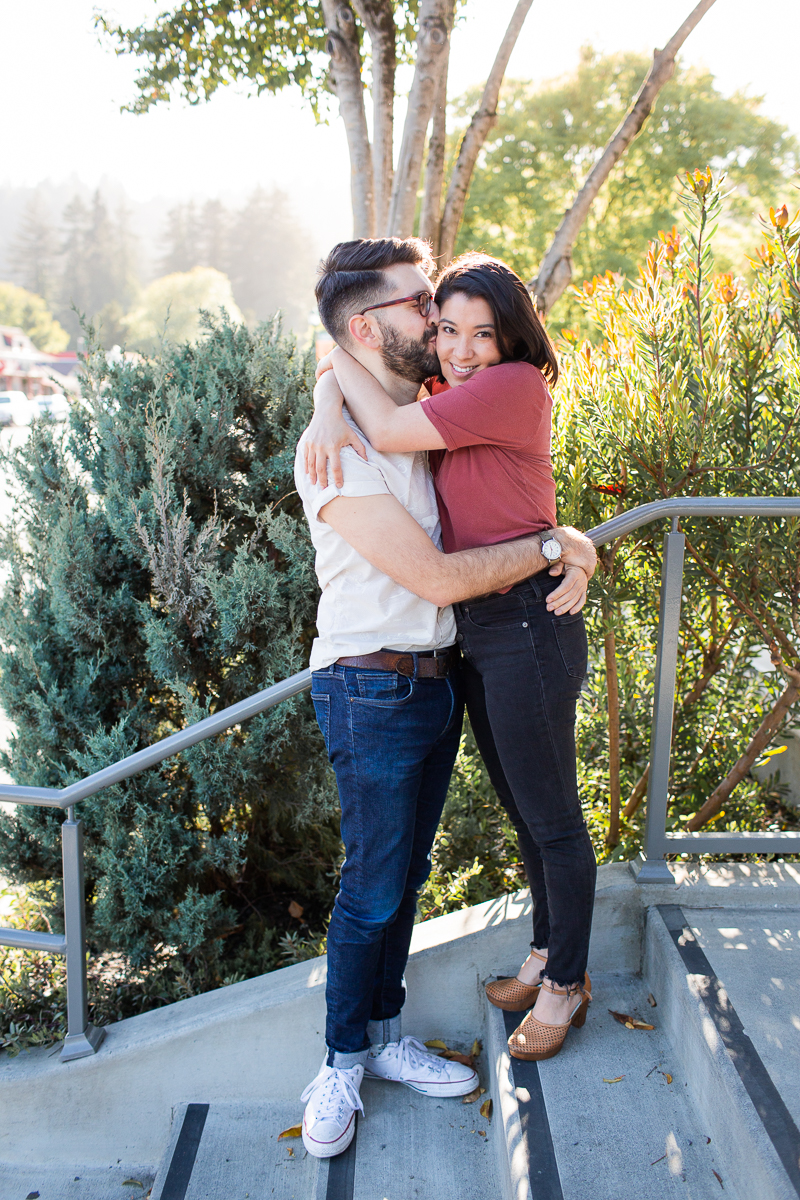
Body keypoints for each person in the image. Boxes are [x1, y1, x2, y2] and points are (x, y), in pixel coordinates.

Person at [294, 238, 596, 1159]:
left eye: (468, 323)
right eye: (427, 309)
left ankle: (521, 990)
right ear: (365, 327)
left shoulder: (443, 397)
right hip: (384, 679)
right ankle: (343, 1062)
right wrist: (556, 544)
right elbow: (429, 569)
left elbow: (365, 395)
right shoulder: (361, 433)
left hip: (469, 655)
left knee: (467, 851)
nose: (443, 330)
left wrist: (560, 541)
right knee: (377, 886)